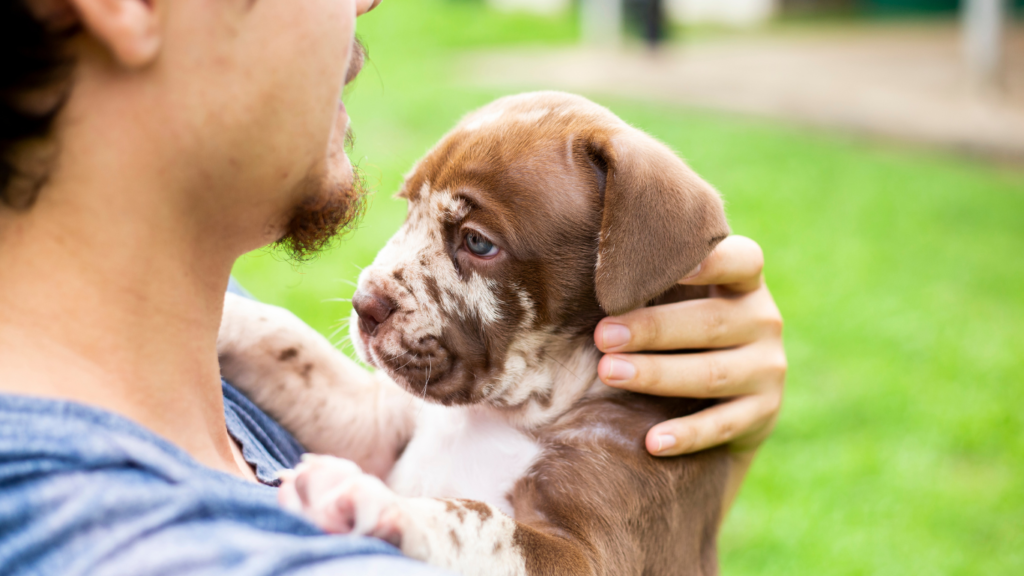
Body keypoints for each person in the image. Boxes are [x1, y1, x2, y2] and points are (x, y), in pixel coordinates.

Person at [0, 0, 786, 573]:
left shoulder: (175, 337)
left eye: (475, 241)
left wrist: (692, 454)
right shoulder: (126, 540)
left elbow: (390, 433)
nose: (368, 2)